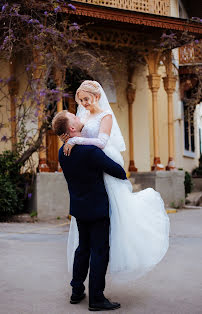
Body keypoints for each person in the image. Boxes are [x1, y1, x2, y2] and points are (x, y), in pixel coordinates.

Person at [60, 80, 170, 278]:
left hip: (101, 158)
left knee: (108, 219)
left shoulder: (106, 116)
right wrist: (69, 138)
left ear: (97, 96)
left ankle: (81, 287)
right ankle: (94, 292)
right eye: (80, 100)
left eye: (86, 99)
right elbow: (74, 131)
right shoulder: (82, 116)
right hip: (90, 166)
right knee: (89, 241)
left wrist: (76, 140)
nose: (83, 104)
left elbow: (102, 142)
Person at [52, 110, 126, 311]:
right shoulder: (90, 152)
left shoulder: (62, 152)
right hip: (97, 209)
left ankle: (77, 291)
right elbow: (119, 172)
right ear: (72, 128)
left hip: (78, 207)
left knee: (82, 248)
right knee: (100, 251)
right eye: (74, 117)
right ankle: (96, 298)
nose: (79, 117)